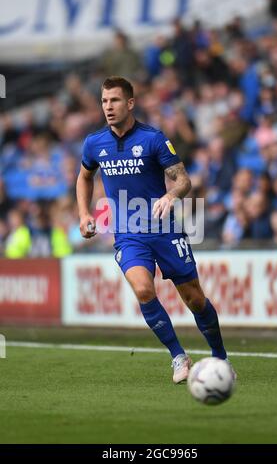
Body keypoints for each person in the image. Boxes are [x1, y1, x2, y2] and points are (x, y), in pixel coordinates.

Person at [76, 76, 232, 384]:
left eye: (115, 100)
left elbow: (184, 180)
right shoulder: (94, 143)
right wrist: (83, 214)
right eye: (105, 101)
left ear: (130, 103)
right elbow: (84, 177)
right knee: (144, 289)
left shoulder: (153, 139)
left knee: (195, 299)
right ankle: (178, 355)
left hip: (164, 229)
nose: (108, 106)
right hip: (128, 232)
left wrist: (171, 195)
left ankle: (221, 358)